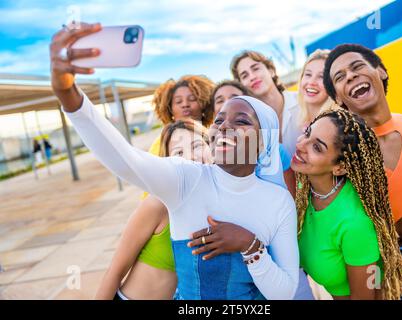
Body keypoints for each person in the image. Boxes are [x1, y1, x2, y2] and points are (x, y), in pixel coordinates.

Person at [50, 22, 299, 300]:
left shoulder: (278, 202)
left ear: (263, 143)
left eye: (241, 121)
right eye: (218, 120)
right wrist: (66, 91)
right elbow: (122, 157)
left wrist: (250, 246)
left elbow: (286, 291)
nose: (224, 127)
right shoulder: (186, 179)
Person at [323, 43, 402, 299]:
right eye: (340, 77)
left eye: (357, 66)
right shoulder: (341, 155)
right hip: (383, 270)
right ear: (338, 98)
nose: (350, 76)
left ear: (380, 71)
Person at [293, 108, 402, 300]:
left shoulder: (355, 222)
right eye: (307, 133)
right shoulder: (304, 187)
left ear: (340, 167)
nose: (301, 144)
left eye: (317, 147)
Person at [95, 119, 213, 300]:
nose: (190, 156)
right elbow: (115, 271)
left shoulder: (216, 202)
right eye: (179, 152)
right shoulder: (157, 204)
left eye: (197, 145)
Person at [212, 80, 296, 196]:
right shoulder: (211, 154)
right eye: (219, 100)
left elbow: (291, 195)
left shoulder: (277, 152)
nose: (228, 102)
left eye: (235, 97)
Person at [230, 50, 303, 159]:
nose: (252, 77)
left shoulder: (302, 101)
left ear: (271, 71)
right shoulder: (249, 126)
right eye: (244, 76)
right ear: (242, 86)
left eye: (255, 69)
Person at [148, 75, 215, 156]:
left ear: (204, 104)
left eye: (192, 99)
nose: (185, 104)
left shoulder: (217, 134)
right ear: (170, 109)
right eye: (178, 101)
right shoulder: (161, 144)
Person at [297, 49, 337, 130]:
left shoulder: (335, 125)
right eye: (308, 74)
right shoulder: (301, 119)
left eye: (321, 76)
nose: (311, 82)